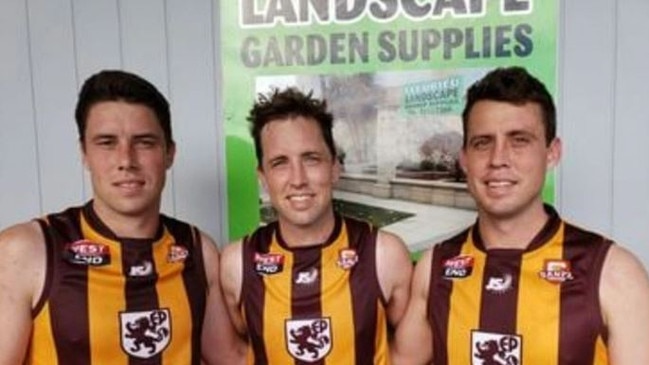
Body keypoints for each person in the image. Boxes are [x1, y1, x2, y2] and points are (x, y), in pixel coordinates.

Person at [392, 66, 649, 365]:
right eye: (482, 143)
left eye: (519, 140)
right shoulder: (434, 268)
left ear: (552, 153)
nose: (498, 159)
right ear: (464, 159)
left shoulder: (613, 273)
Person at [0, 70, 241, 364]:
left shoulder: (196, 249)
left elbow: (233, 359)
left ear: (169, 154)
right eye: (107, 142)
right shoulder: (26, 250)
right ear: (84, 153)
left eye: (144, 142)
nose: (126, 160)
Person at [220, 87, 413, 364]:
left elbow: (409, 354)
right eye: (280, 163)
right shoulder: (237, 263)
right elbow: (237, 351)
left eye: (311, 159)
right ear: (263, 176)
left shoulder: (384, 253)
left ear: (335, 167)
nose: (298, 179)